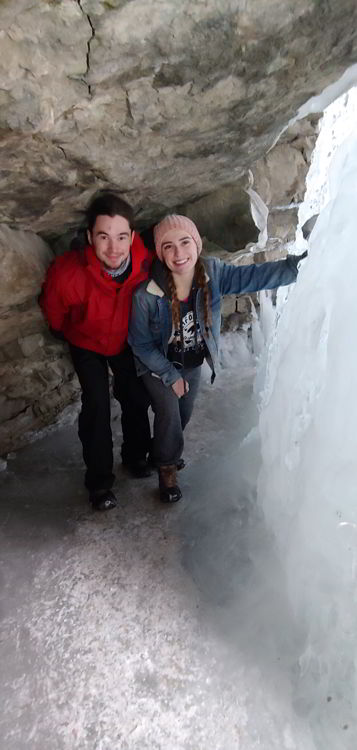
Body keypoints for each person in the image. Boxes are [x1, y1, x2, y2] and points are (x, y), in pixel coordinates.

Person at [128, 214, 306, 503]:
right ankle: (166, 468)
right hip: (157, 364)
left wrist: (298, 266)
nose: (178, 253)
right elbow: (140, 344)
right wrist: (170, 377)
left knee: (183, 414)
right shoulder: (146, 294)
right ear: (160, 253)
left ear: (197, 245)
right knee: (169, 412)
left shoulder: (213, 273)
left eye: (185, 242)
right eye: (169, 246)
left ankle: (162, 451)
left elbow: (255, 277)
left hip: (192, 361)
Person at [40, 192, 153, 511]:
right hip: (86, 343)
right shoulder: (68, 273)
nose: (114, 247)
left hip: (124, 340)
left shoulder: (145, 262)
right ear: (90, 237)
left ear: (132, 237)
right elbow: (54, 310)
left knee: (135, 396)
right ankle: (100, 483)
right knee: (97, 406)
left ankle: (136, 456)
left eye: (121, 237)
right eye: (103, 237)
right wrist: (65, 331)